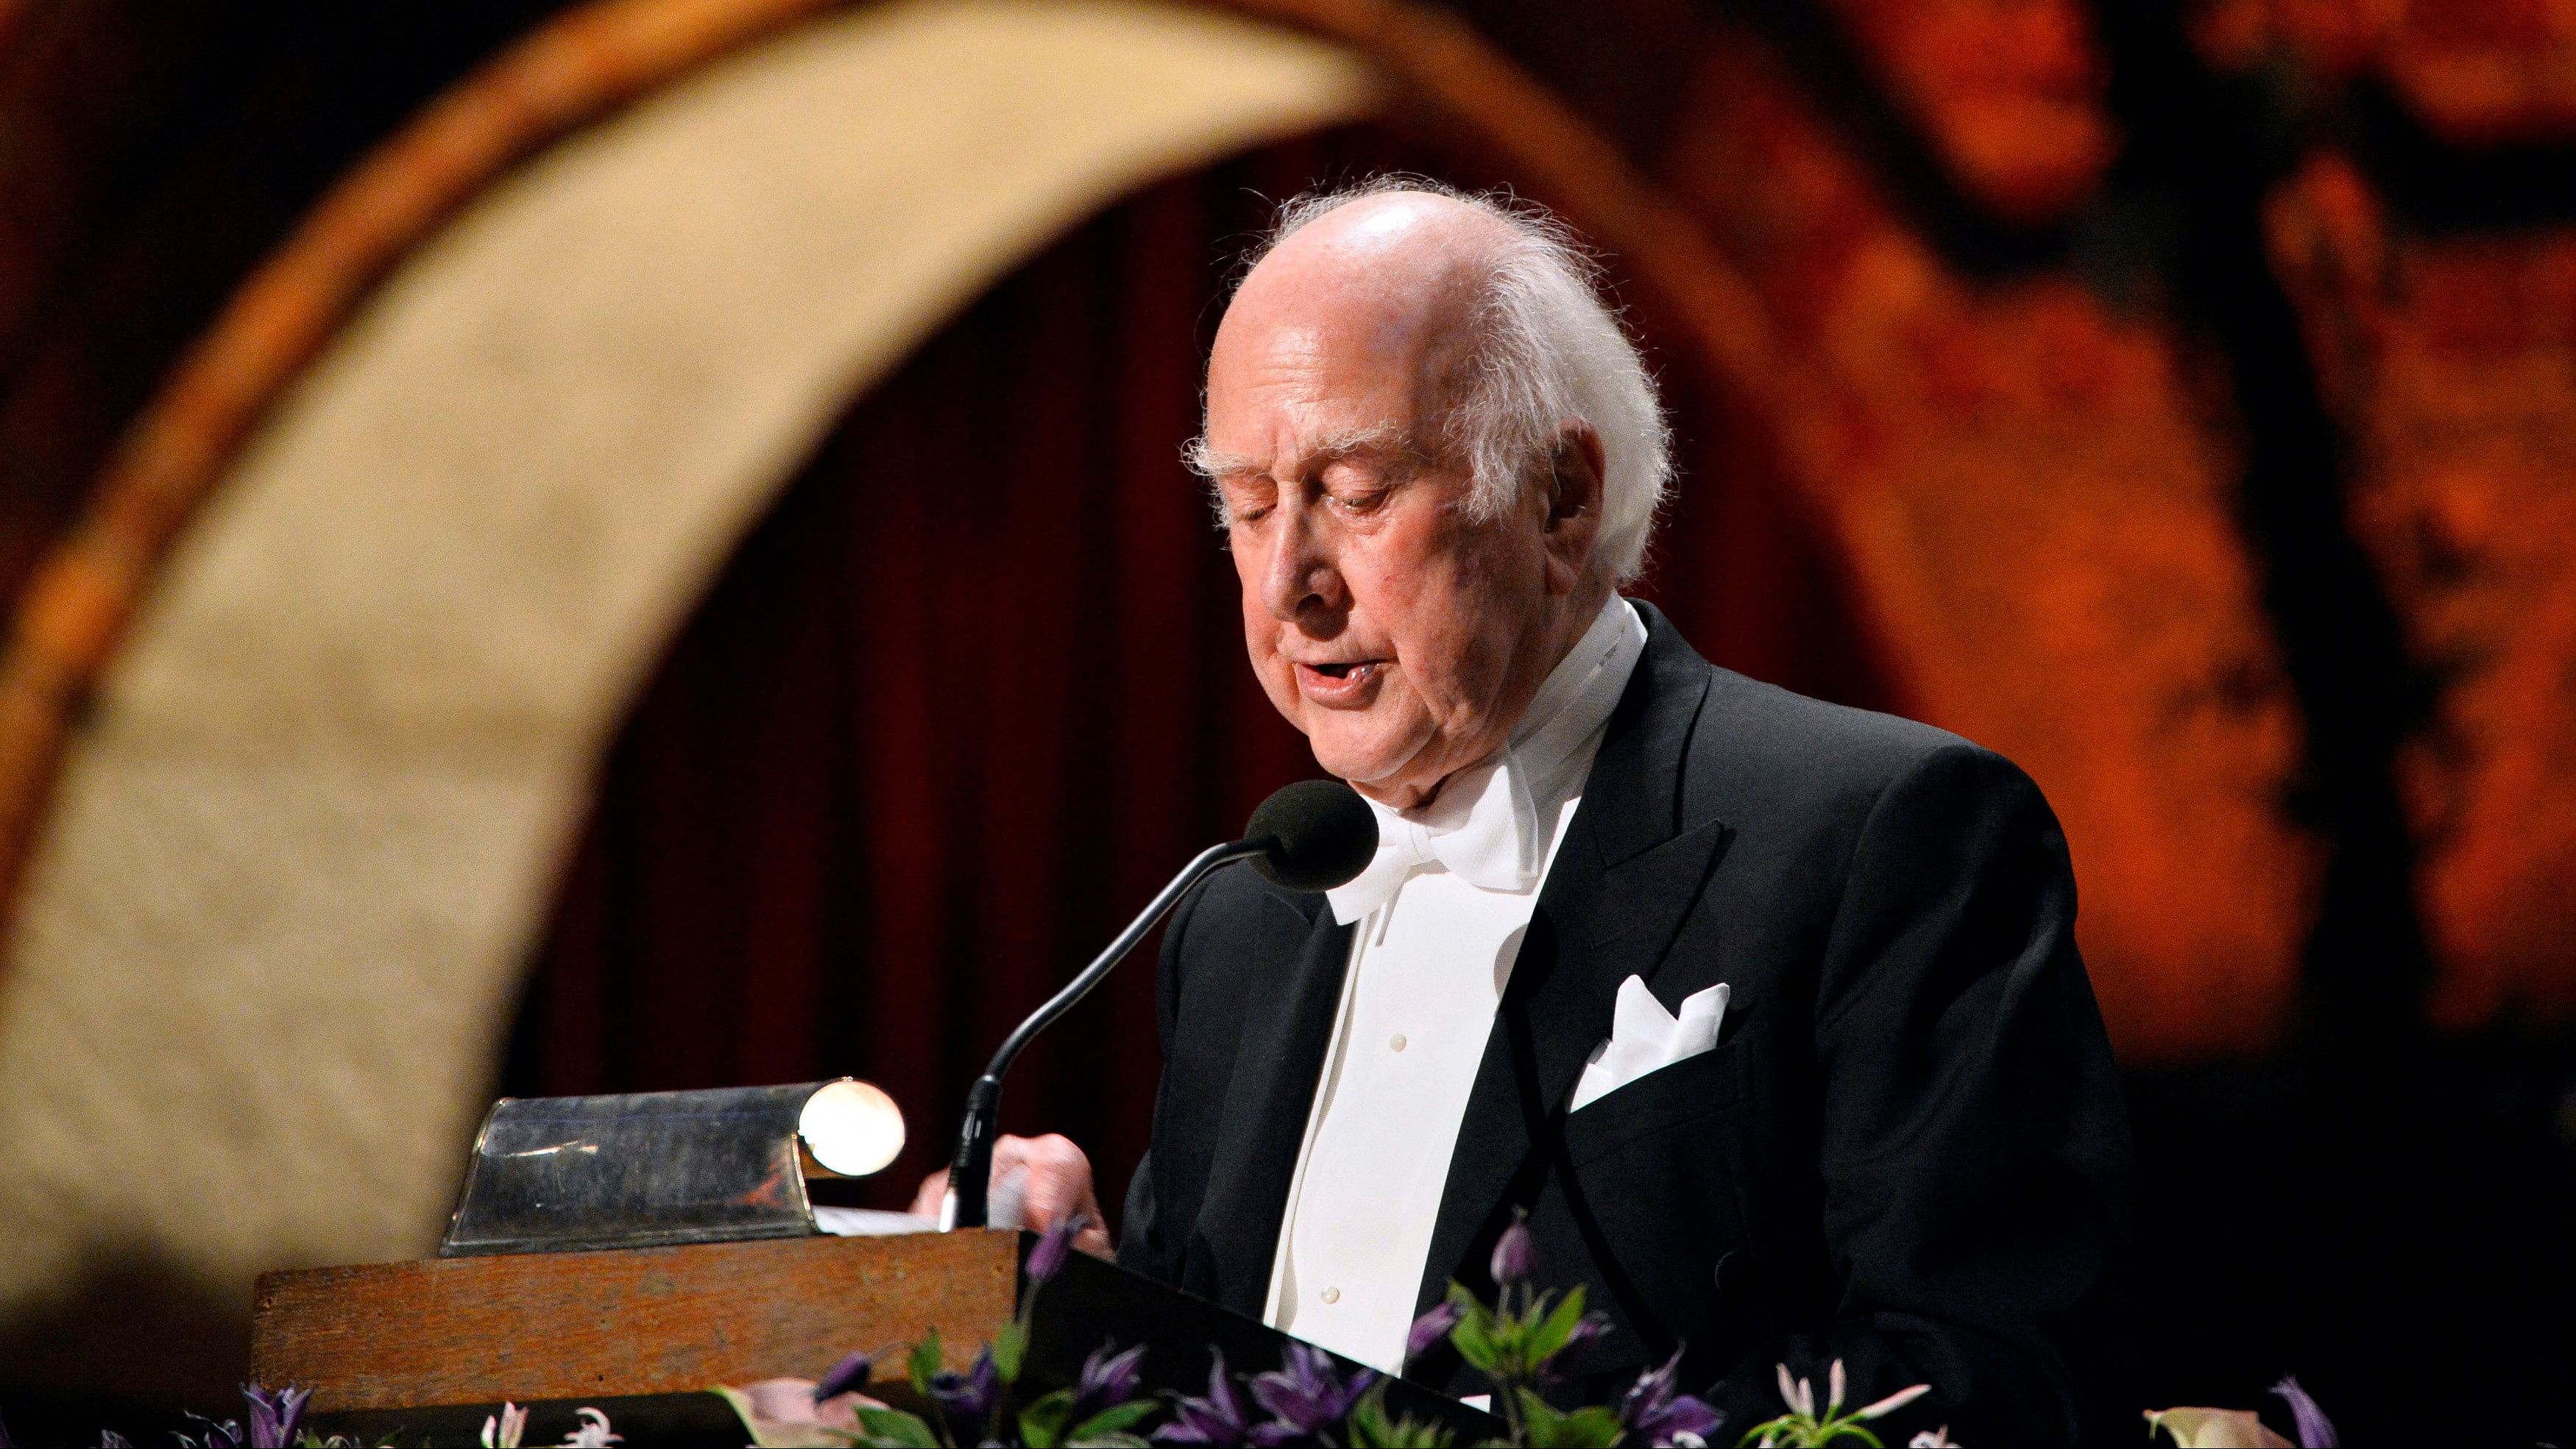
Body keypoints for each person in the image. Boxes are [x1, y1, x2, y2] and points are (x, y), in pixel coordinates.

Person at [914, 179, 2131, 1444]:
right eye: (1251, 504)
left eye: (1356, 490)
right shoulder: (1238, 920)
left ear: (1558, 498)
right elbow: (1218, 1382)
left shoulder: (1886, 838)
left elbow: (2001, 1377)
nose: (1290, 587)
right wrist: (1083, 1305)